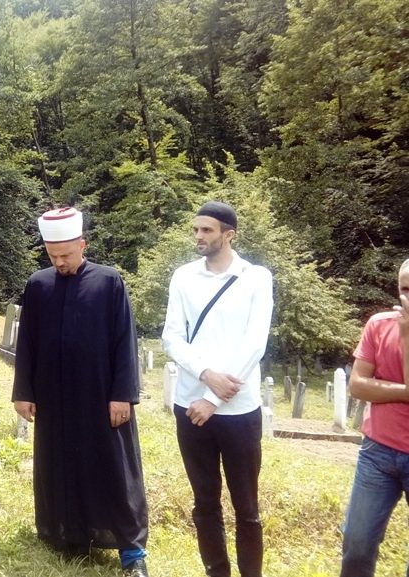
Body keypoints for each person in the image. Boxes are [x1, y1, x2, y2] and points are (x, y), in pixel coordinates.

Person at [11, 207, 149, 577]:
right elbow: (27, 343)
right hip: (54, 396)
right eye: (52, 256)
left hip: (101, 396)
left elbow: (124, 341)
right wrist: (23, 391)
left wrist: (123, 394)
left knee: (115, 470)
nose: (59, 262)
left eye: (66, 255)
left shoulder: (109, 281)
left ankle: (132, 551)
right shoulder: (38, 285)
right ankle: (68, 535)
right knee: (60, 466)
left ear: (82, 245)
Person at [161, 201, 273, 577]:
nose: (198, 236)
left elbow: (255, 344)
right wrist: (206, 374)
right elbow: (172, 337)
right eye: (196, 229)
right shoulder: (183, 277)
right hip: (190, 406)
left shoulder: (255, 278)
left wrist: (212, 398)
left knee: (247, 507)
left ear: (229, 235)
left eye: (206, 230)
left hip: (239, 411)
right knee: (205, 503)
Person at [339, 258, 409, 577]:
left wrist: (407, 336)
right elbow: (357, 385)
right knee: (357, 543)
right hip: (377, 452)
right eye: (405, 289)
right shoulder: (378, 324)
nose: (408, 297)